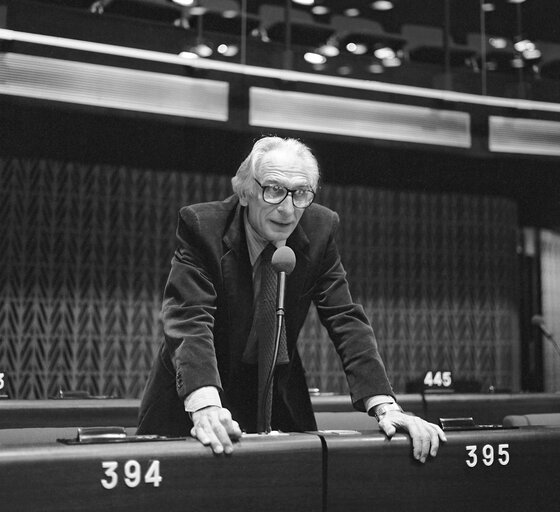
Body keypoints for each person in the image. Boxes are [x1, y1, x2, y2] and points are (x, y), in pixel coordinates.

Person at [137, 136, 446, 462]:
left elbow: (346, 318)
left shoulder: (319, 229)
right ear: (245, 192)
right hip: (198, 392)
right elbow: (189, 317)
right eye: (273, 190)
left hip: (273, 390)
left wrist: (385, 405)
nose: (287, 209)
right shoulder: (202, 226)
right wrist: (207, 406)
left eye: (300, 193)